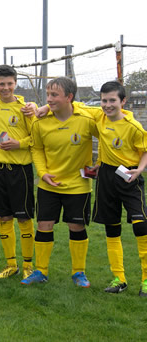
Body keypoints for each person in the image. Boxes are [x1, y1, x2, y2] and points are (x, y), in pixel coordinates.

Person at [22, 77, 97, 287]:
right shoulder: (40, 121)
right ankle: (41, 271)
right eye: (48, 95)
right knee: (44, 225)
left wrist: (99, 163)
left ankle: (78, 273)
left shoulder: (87, 118)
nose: (49, 99)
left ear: (69, 97)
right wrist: (43, 172)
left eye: (54, 95)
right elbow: (36, 148)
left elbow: (111, 129)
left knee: (76, 226)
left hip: (78, 185)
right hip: (48, 184)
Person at [90, 81, 147, 296]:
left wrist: (139, 170)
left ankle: (146, 280)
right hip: (106, 176)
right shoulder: (99, 117)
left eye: (112, 100)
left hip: (128, 176)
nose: (107, 105)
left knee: (141, 226)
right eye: (104, 100)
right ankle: (119, 279)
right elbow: (73, 106)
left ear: (123, 101)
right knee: (111, 228)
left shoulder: (133, 127)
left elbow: (145, 150)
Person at [0, 65, 35, 279]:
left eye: (9, 84)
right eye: (1, 84)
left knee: (23, 219)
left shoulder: (26, 108)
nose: (6, 88)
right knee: (4, 217)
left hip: (20, 170)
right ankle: (11, 264)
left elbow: (37, 138)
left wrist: (19, 143)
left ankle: (28, 266)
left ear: (15, 84)